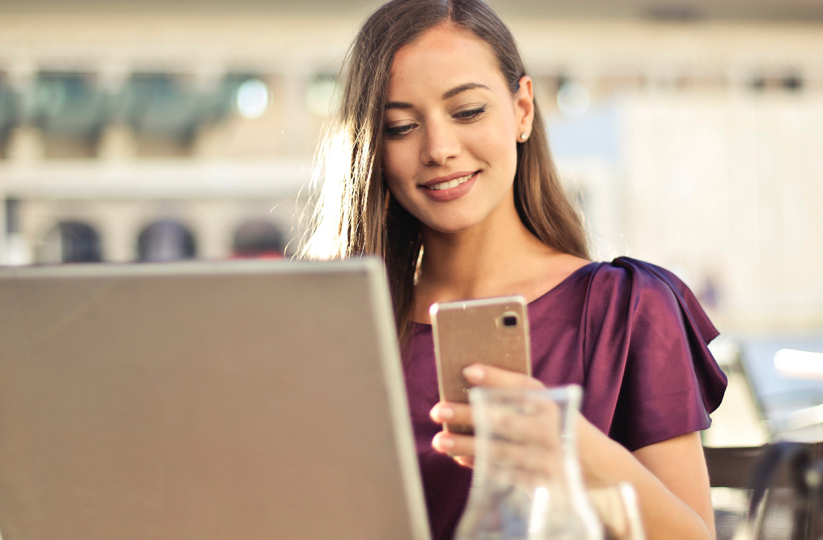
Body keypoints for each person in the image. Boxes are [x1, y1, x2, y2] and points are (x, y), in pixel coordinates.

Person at [297, 1, 728, 539]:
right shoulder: (339, 330)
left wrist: (570, 445)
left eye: (468, 112)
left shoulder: (626, 307)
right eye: (401, 126)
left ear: (522, 109)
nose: (439, 149)